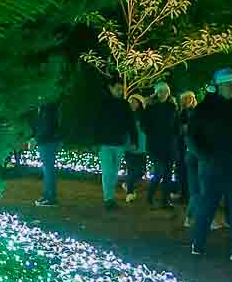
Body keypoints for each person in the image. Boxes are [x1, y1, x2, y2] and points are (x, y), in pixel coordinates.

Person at [188, 69, 232, 262]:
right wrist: (205, 157)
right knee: (208, 205)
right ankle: (198, 243)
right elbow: (192, 137)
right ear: (219, 86)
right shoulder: (203, 109)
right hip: (211, 166)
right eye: (229, 85)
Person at [85, 77, 138, 210]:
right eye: (118, 89)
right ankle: (108, 198)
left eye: (121, 89)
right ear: (110, 88)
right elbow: (95, 123)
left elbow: (130, 124)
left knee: (114, 172)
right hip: (105, 144)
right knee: (108, 171)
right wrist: (94, 141)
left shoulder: (124, 104)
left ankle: (110, 197)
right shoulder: (102, 103)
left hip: (119, 143)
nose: (120, 92)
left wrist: (133, 139)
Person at [140, 80, 179, 209]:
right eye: (161, 91)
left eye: (165, 91)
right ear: (156, 93)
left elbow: (176, 125)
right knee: (159, 172)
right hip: (155, 145)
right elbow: (144, 124)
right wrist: (153, 133)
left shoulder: (172, 107)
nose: (163, 93)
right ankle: (150, 196)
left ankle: (165, 201)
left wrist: (176, 136)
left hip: (169, 145)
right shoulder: (151, 107)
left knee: (168, 174)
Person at [25, 96, 63, 207]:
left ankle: (50, 197)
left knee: (48, 169)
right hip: (47, 140)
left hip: (48, 141)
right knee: (48, 169)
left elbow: (46, 126)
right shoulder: (46, 106)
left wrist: (35, 139)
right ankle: (48, 196)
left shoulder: (48, 106)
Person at [177, 90, 201, 225]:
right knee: (197, 187)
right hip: (190, 150)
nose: (188, 101)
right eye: (185, 99)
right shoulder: (183, 114)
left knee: (197, 188)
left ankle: (191, 216)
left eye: (190, 98)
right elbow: (182, 131)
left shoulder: (197, 112)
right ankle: (193, 216)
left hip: (192, 150)